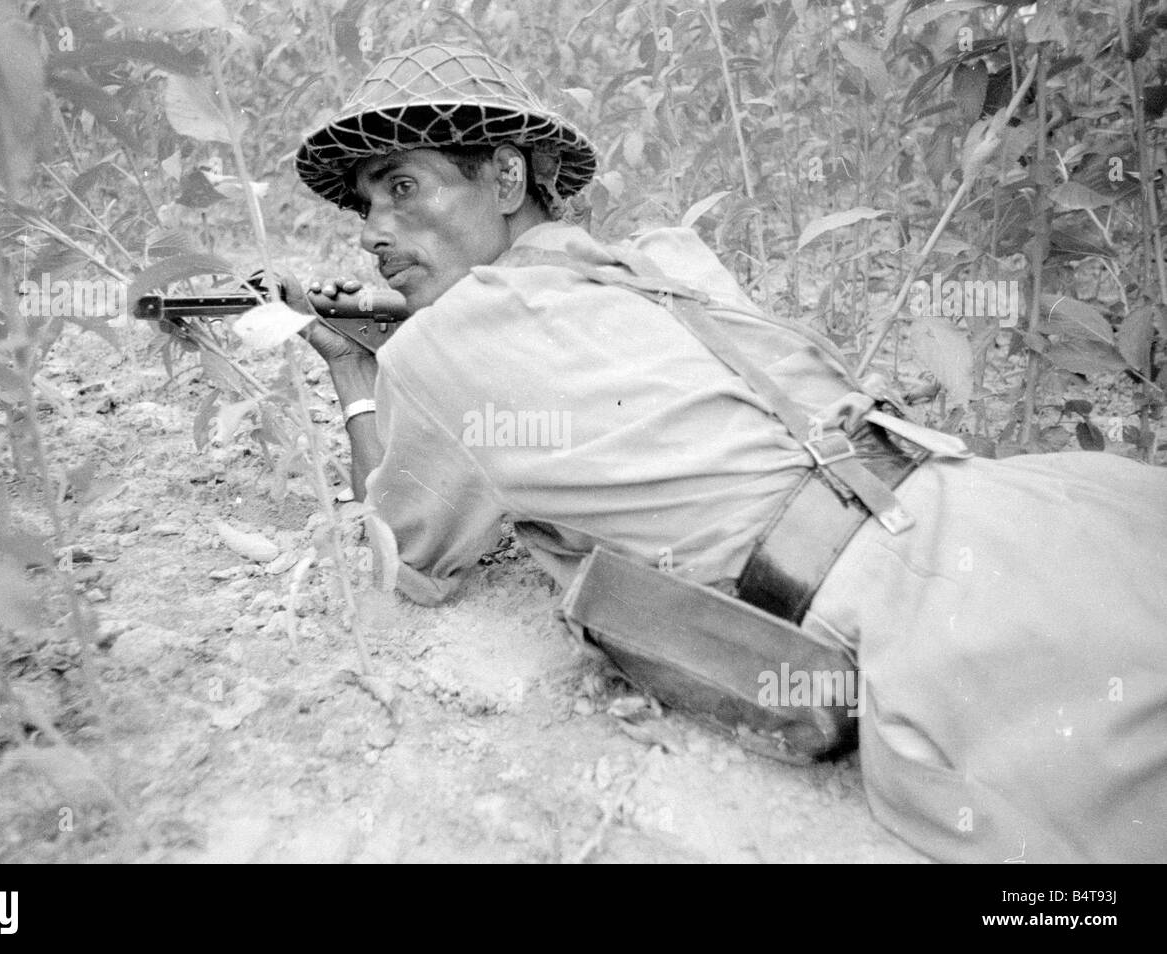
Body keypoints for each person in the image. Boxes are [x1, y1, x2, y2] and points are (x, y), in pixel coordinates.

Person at [292, 43, 1167, 863]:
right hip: (1025, 508)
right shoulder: (665, 259)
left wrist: (359, 371)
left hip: (941, 633)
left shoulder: (437, 353)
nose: (374, 229)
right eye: (368, 205)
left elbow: (402, 567)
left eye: (403, 188)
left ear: (509, 176)